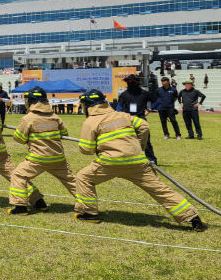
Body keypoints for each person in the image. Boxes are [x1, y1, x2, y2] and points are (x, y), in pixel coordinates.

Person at [74, 89, 207, 231]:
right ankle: (193, 219)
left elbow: (86, 150)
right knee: (160, 190)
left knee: (83, 178)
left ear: (88, 106)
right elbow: (144, 125)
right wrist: (139, 146)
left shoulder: (90, 122)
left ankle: (90, 214)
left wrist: (97, 146)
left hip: (110, 163)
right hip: (137, 161)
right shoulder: (123, 115)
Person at [8, 87, 75, 215]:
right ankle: (88, 205)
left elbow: (19, 139)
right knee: (71, 181)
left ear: (31, 102)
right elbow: (64, 134)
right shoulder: (55, 117)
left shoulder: (28, 118)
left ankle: (20, 207)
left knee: (18, 175)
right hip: (57, 158)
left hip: (38, 159)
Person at [116, 74, 157, 164]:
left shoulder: (144, 93)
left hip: (141, 119)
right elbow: (119, 107)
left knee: (145, 140)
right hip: (128, 119)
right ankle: (128, 159)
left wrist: (149, 109)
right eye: (128, 82)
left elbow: (157, 100)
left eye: (131, 82)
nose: (129, 84)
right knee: (127, 140)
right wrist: (119, 115)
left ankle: (151, 159)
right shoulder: (124, 95)